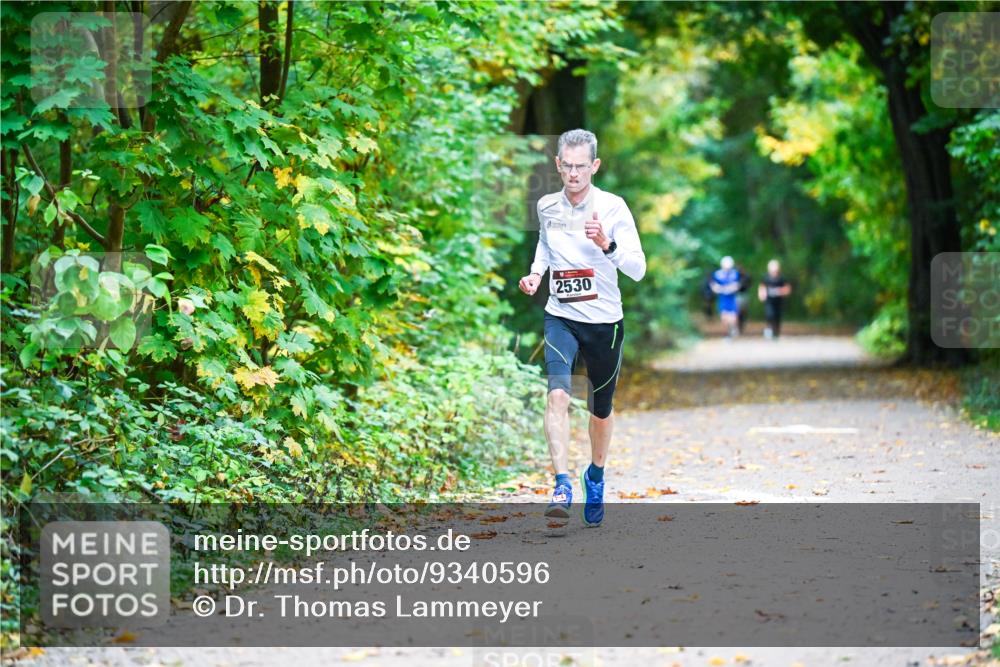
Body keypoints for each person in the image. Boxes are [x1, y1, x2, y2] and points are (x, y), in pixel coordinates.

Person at [518, 129, 646, 526]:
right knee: (557, 395)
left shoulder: (613, 207)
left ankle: (596, 474)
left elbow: (639, 269)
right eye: (566, 166)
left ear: (594, 166)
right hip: (560, 315)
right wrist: (537, 274)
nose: (573, 174)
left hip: (604, 323)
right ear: (557, 165)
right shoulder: (546, 205)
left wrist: (608, 245)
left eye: (581, 167)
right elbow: (545, 243)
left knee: (600, 411)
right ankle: (561, 484)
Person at [758, 259, 792, 339]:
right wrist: (761, 294)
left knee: (777, 317)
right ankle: (769, 330)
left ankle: (776, 333)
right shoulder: (765, 277)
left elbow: (787, 289)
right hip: (769, 301)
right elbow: (762, 287)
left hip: (779, 301)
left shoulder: (782, 278)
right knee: (769, 315)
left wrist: (780, 291)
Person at [710, 256, 741, 338]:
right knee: (724, 317)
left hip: (732, 298)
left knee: (733, 316)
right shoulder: (717, 274)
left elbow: (736, 285)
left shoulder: (735, 274)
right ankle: (729, 331)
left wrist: (729, 288)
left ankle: (733, 329)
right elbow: (713, 286)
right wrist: (720, 289)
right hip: (722, 298)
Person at [736, 264, 752, 334]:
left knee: (743, 311)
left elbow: (749, 285)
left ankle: (742, 325)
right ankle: (738, 326)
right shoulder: (736, 276)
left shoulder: (746, 276)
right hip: (737, 295)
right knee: (738, 312)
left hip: (744, 295)